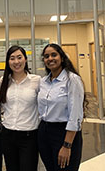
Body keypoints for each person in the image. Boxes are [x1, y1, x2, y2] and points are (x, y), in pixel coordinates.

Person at [38, 43, 85, 171]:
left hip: (64, 133)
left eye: (54, 55)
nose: (50, 58)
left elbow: (75, 115)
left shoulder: (72, 80)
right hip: (45, 132)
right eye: (46, 56)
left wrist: (67, 145)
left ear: (62, 58)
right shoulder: (43, 82)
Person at [0, 45, 40, 171]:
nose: (16, 62)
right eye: (12, 58)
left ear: (25, 59)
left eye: (19, 57)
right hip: (8, 134)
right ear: (8, 62)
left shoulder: (36, 81)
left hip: (29, 137)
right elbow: (2, 106)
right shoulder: (3, 81)